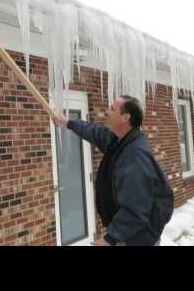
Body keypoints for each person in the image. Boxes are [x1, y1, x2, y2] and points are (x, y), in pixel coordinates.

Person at [52, 95, 174, 246]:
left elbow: (135, 208)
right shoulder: (120, 140)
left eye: (112, 109)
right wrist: (68, 122)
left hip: (136, 237)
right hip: (128, 233)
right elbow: (95, 132)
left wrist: (110, 239)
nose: (107, 111)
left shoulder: (134, 156)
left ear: (125, 117)